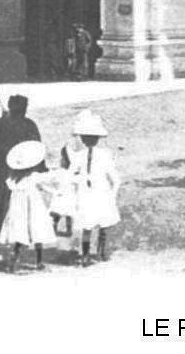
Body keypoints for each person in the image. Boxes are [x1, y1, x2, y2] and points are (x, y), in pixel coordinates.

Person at [60, 110, 120, 265]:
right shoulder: (80, 156)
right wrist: (78, 180)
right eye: (86, 137)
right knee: (88, 224)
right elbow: (70, 174)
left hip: (100, 192)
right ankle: (87, 254)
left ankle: (100, 252)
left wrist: (112, 194)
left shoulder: (104, 155)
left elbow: (115, 177)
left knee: (102, 223)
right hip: (87, 193)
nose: (88, 140)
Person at [0, 96, 42, 239]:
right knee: (23, 198)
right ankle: (23, 231)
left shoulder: (1, 124)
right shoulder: (29, 125)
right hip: (25, 167)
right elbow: (37, 147)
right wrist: (39, 167)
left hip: (4, 165)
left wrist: (2, 157)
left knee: (2, 195)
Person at [0, 139, 53, 272]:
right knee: (38, 233)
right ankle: (39, 262)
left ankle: (14, 262)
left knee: (19, 235)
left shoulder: (13, 180)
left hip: (18, 211)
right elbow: (48, 184)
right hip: (34, 209)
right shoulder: (34, 177)